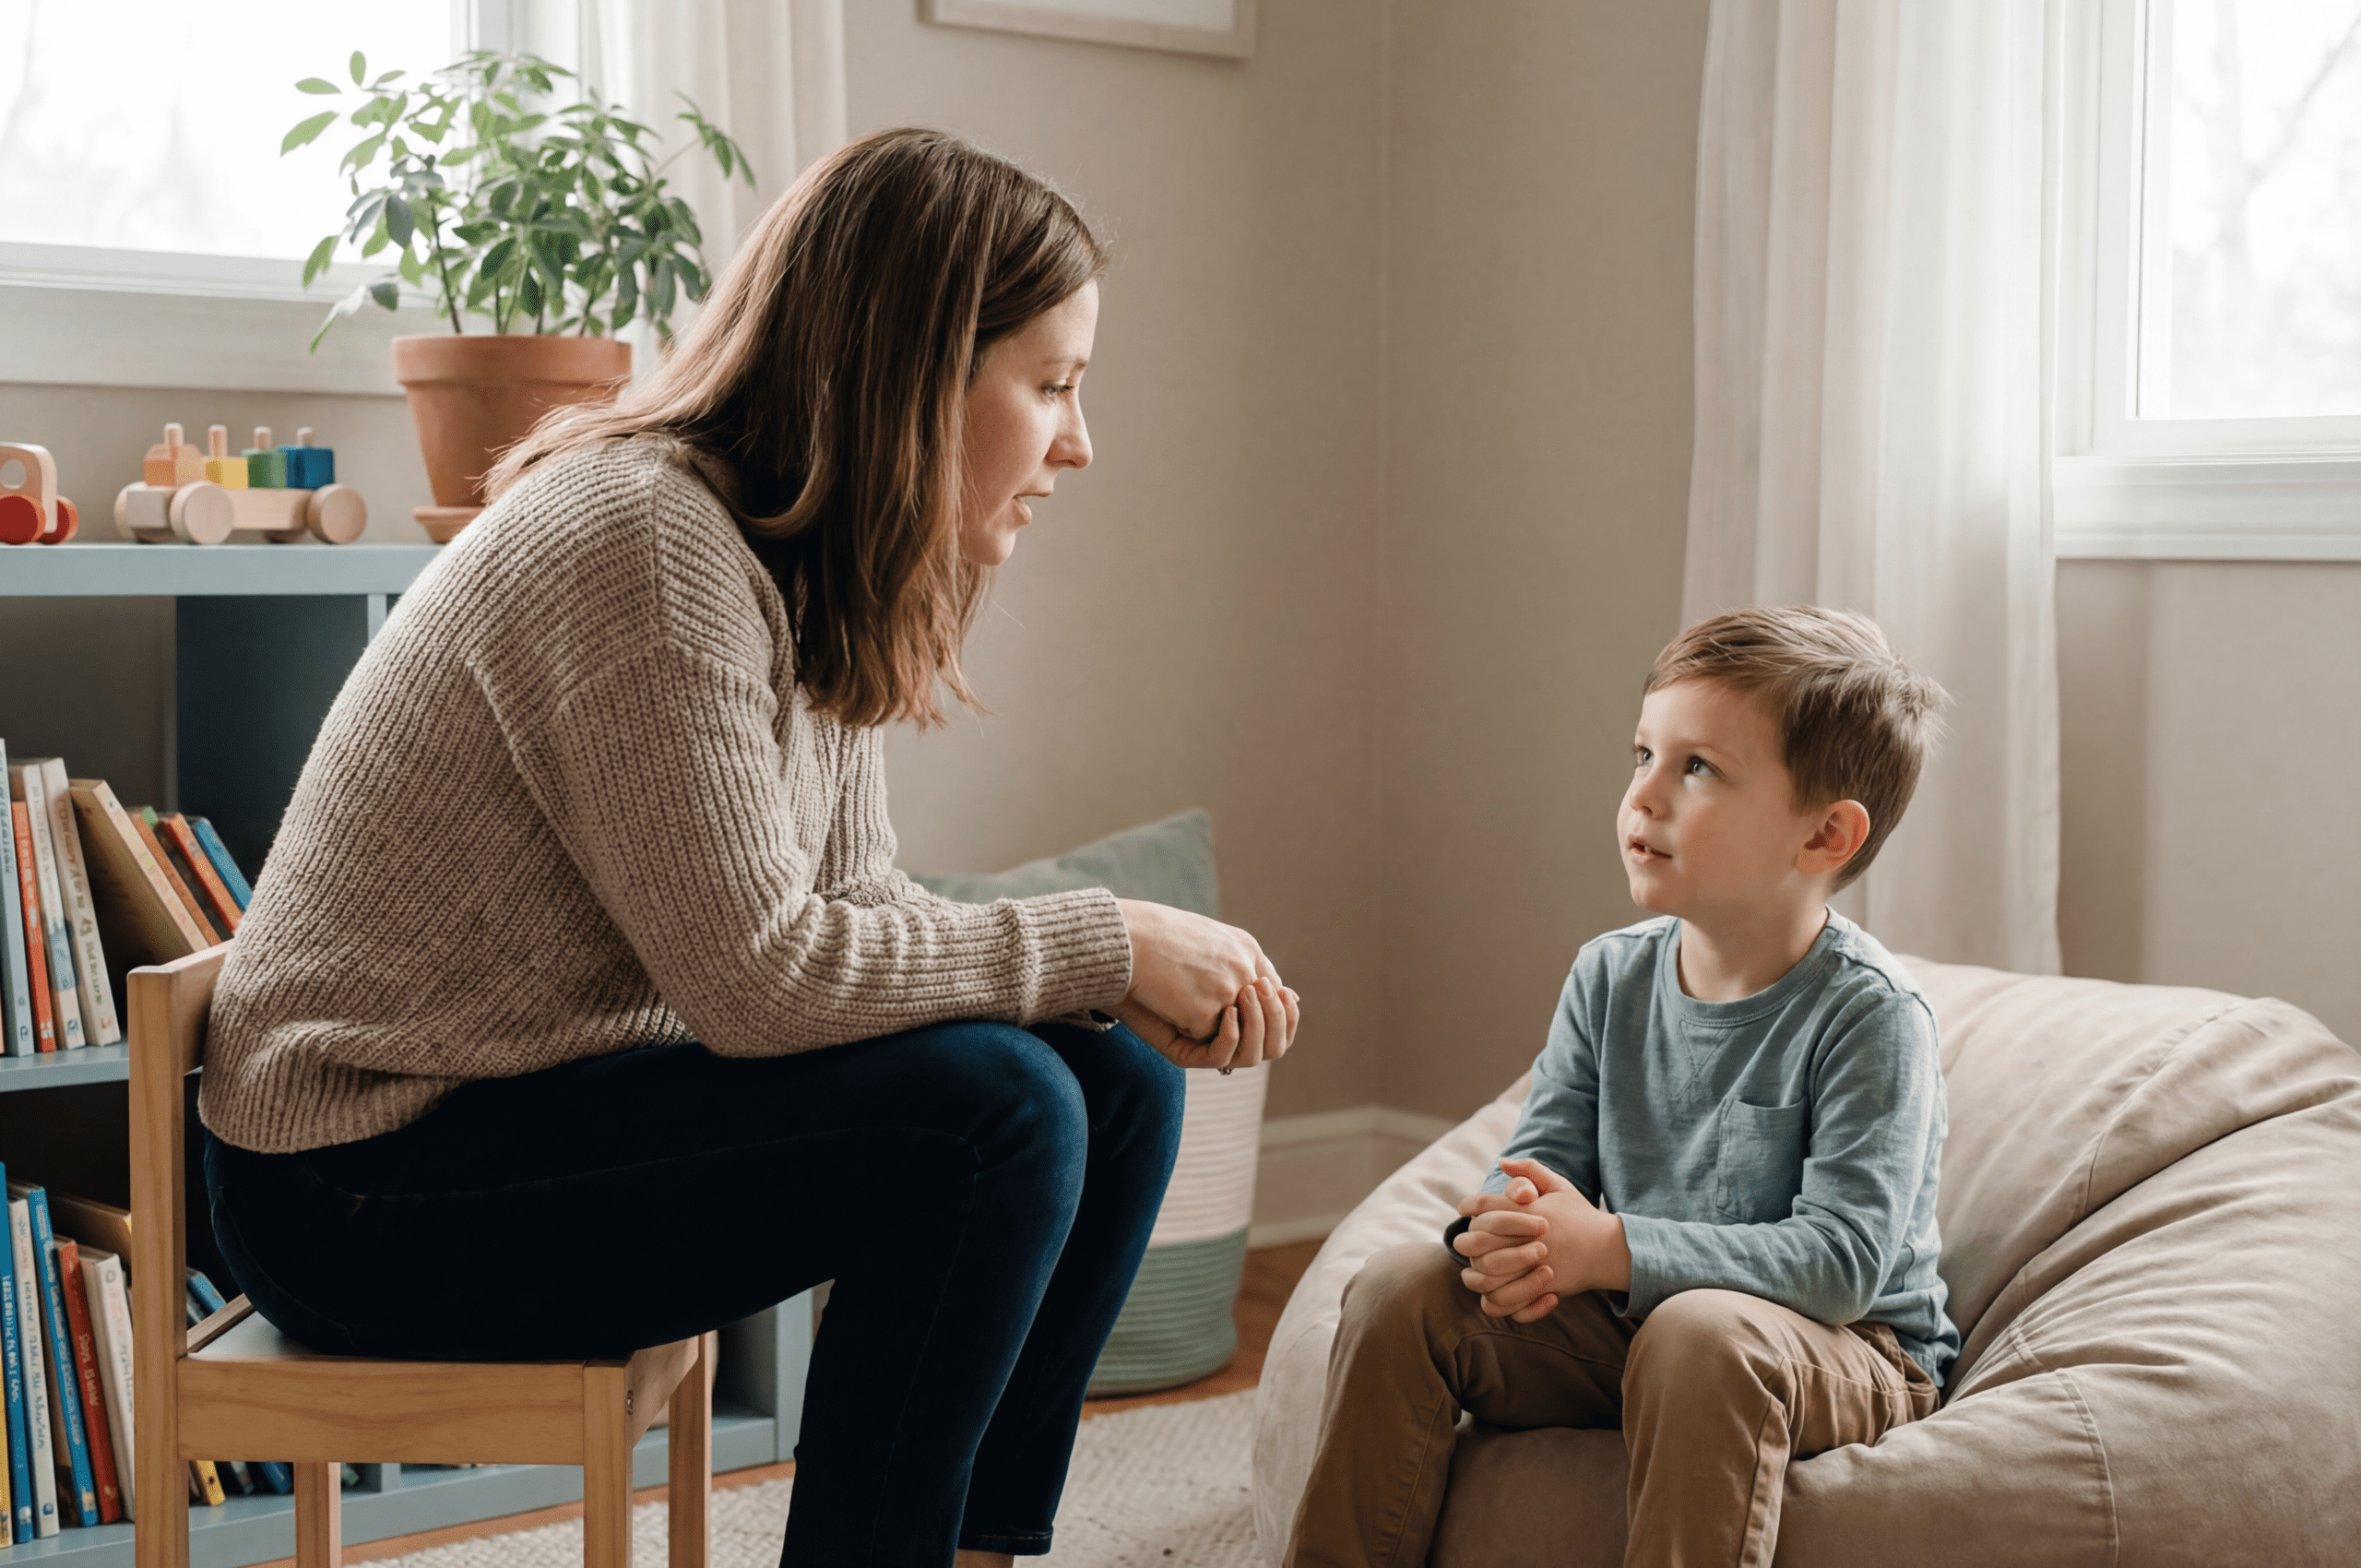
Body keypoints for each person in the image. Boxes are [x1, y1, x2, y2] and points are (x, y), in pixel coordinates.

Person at [196, 126, 1299, 1568]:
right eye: (1053, 385)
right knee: (1002, 1107)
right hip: (358, 1187)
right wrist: (1107, 937)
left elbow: (853, 909)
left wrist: (1101, 982)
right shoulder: (649, 544)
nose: (1078, 443)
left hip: (519, 1115)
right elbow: (764, 981)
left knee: (1117, 1076)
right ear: (914, 376)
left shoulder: (787, 556)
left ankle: (970, 1547)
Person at [1284, 606, 1956, 1568]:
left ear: (1823, 836)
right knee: (1402, 1287)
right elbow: (1542, 1163)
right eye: (1642, 753)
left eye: (1697, 769)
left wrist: (1610, 1246)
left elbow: (1842, 1262)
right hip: (1642, 1327)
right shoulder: (1609, 974)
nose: (1643, 796)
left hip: (1845, 1351)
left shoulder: (1871, 1015)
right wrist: (1510, 1228)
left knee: (1701, 1334)